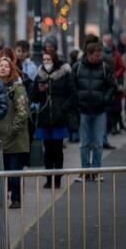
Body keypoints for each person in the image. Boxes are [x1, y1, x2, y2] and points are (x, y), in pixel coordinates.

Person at [30, 50, 76, 189]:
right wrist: (40, 90)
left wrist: (63, 109)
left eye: (48, 59)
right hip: (44, 117)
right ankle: (49, 178)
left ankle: (58, 179)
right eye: (44, 59)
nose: (46, 62)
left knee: (57, 149)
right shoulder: (40, 75)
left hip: (59, 117)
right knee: (47, 149)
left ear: (54, 59)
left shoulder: (64, 73)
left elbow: (72, 93)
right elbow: (33, 96)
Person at [73, 42, 117, 180]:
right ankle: (85, 170)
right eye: (96, 56)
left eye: (100, 55)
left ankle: (96, 171)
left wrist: (105, 99)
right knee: (84, 143)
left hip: (99, 110)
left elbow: (112, 86)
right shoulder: (78, 67)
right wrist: (77, 101)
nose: (99, 58)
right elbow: (72, 86)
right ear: (88, 54)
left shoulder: (104, 68)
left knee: (98, 143)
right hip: (83, 109)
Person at [0, 56, 30, 209]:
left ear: (11, 70)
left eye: (6, 66)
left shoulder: (17, 88)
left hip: (15, 138)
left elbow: (23, 112)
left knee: (14, 171)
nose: (2, 68)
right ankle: (1, 198)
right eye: (0, 65)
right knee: (0, 171)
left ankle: (16, 199)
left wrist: (12, 129)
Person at [102, 34, 126, 135]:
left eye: (108, 41)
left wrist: (115, 75)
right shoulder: (100, 52)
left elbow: (122, 67)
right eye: (105, 41)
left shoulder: (116, 53)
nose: (107, 43)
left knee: (116, 106)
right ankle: (109, 126)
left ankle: (114, 125)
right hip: (104, 82)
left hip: (114, 82)